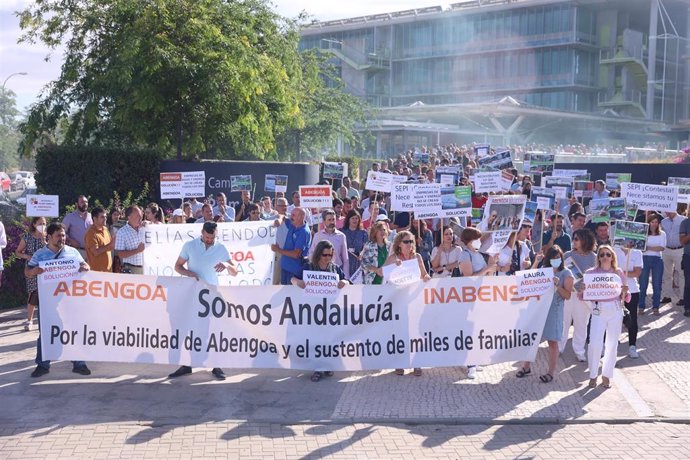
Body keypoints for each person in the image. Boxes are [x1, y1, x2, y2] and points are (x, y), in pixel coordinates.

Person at [169, 222, 238, 380]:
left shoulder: (221, 248)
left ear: (216, 235)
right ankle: (187, 364)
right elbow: (178, 266)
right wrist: (189, 274)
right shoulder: (190, 245)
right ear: (201, 233)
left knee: (212, 330)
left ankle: (216, 365)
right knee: (190, 329)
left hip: (211, 296)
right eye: (206, 237)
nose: (209, 240)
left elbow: (235, 272)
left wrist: (226, 265)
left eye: (212, 237)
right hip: (193, 294)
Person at [26, 222, 91, 378]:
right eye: (58, 236)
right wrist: (34, 270)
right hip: (48, 302)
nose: (62, 238)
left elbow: (85, 265)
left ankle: (79, 363)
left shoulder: (72, 252)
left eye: (63, 235)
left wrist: (86, 268)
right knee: (46, 332)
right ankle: (42, 365)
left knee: (73, 330)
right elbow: (27, 271)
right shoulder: (39, 254)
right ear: (49, 237)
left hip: (70, 301)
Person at [291, 240, 350, 382]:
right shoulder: (309, 267)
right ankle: (318, 368)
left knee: (328, 339)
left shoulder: (335, 269)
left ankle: (327, 365)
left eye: (330, 255)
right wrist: (298, 282)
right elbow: (293, 278)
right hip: (312, 310)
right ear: (318, 254)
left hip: (330, 310)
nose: (328, 258)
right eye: (325, 255)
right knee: (316, 339)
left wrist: (344, 283)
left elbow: (346, 280)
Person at [516, 245, 573, 383]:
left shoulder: (566, 274)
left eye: (558, 258)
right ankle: (526, 366)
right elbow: (529, 278)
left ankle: (550, 372)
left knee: (552, 342)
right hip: (539, 309)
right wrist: (536, 261)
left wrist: (557, 286)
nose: (556, 260)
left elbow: (568, 295)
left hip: (554, 311)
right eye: (553, 258)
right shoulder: (544, 270)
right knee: (533, 339)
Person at [579, 245, 629, 389]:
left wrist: (625, 292)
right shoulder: (590, 273)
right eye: (602, 255)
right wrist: (582, 290)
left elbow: (626, 297)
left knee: (612, 344)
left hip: (615, 310)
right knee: (594, 344)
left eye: (608, 254)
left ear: (612, 256)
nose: (605, 257)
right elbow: (582, 296)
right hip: (598, 311)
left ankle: (607, 374)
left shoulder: (618, 273)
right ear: (598, 257)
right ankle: (593, 375)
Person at [384, 230, 430, 376]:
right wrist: (393, 267)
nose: (409, 244)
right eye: (406, 242)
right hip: (398, 300)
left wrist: (427, 277)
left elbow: (424, 274)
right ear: (399, 244)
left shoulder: (417, 257)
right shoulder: (393, 257)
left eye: (411, 241)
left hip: (414, 300)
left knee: (415, 332)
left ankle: (417, 363)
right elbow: (382, 273)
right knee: (400, 332)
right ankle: (400, 363)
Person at [459, 227, 498, 380]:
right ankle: (470, 364)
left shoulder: (477, 254)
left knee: (479, 327)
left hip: (480, 295)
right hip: (469, 297)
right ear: (469, 240)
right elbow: (469, 276)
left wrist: (492, 264)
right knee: (470, 328)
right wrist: (487, 268)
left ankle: (475, 358)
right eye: (477, 239)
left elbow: (485, 273)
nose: (479, 241)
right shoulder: (465, 254)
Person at [560, 228, 597, 361]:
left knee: (581, 324)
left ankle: (579, 351)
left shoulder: (594, 258)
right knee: (563, 321)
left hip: (584, 296)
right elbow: (559, 272)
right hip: (568, 294)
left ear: (584, 240)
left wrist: (588, 287)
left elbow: (597, 277)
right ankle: (559, 347)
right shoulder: (567, 256)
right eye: (573, 238)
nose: (573, 241)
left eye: (576, 239)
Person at [15, 217, 47, 330]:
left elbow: (52, 250)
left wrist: (44, 241)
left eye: (44, 223)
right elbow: (17, 252)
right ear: (34, 224)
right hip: (32, 268)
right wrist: (27, 256)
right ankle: (29, 320)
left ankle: (46, 318)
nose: (42, 225)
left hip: (46, 268)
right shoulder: (27, 237)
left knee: (47, 293)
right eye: (40, 223)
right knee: (33, 293)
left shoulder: (48, 236)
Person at [614, 243, 643, 359]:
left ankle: (632, 346)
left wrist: (620, 273)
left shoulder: (637, 252)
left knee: (632, 318)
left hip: (632, 290)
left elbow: (637, 273)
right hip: (615, 290)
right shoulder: (614, 250)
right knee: (615, 317)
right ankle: (612, 344)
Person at [272, 207, 311, 285]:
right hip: (285, 267)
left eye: (293, 215)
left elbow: (296, 254)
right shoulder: (293, 224)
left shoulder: (303, 232)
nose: (291, 217)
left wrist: (278, 250)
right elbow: (282, 216)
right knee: (284, 294)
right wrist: (279, 220)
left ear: (301, 217)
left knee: (292, 295)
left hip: (294, 271)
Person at [638, 214, 666, 316]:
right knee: (643, 284)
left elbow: (662, 248)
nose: (654, 224)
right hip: (644, 259)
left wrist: (648, 247)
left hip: (657, 260)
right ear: (648, 222)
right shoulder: (643, 233)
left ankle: (656, 306)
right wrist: (652, 247)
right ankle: (641, 306)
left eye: (656, 222)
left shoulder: (662, 234)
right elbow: (640, 247)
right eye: (652, 222)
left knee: (657, 284)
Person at [661, 205, 686, 307]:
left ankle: (682, 297)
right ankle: (667, 296)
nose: (666, 212)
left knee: (681, 274)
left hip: (679, 250)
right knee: (666, 274)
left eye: (668, 210)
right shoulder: (663, 221)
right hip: (666, 250)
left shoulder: (683, 220)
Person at [114, 205, 146, 275]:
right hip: (131, 269)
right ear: (129, 217)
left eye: (141, 215)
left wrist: (150, 225)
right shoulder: (122, 232)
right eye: (137, 215)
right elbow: (120, 254)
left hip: (146, 268)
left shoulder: (145, 228)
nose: (140, 218)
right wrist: (137, 250)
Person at [84, 206, 115, 272]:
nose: (105, 219)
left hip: (108, 271)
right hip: (97, 274)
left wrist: (115, 242)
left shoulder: (105, 229)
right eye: (102, 217)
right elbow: (95, 252)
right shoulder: (91, 233)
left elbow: (109, 247)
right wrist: (110, 245)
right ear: (94, 219)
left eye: (105, 217)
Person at [62, 195, 93, 259]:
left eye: (86, 202)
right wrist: (70, 241)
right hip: (77, 252)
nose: (85, 204)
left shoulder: (91, 217)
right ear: (76, 204)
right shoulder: (69, 217)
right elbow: (61, 232)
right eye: (82, 202)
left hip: (91, 252)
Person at [341, 210, 367, 279]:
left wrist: (361, 253)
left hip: (358, 263)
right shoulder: (341, 232)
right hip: (345, 262)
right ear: (348, 219)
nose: (355, 220)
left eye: (356, 218)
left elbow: (366, 246)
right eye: (353, 218)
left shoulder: (363, 233)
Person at [679, 213, 690, 317]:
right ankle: (688, 307)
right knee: (688, 283)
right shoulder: (685, 223)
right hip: (688, 257)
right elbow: (682, 241)